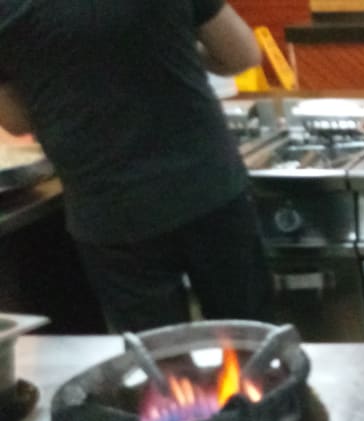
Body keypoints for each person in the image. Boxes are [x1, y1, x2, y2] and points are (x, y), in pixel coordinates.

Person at [0, 0, 273, 332]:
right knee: (249, 339)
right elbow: (242, 55)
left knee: (156, 353)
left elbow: (16, 120)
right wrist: (173, 52)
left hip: (109, 210)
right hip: (207, 187)